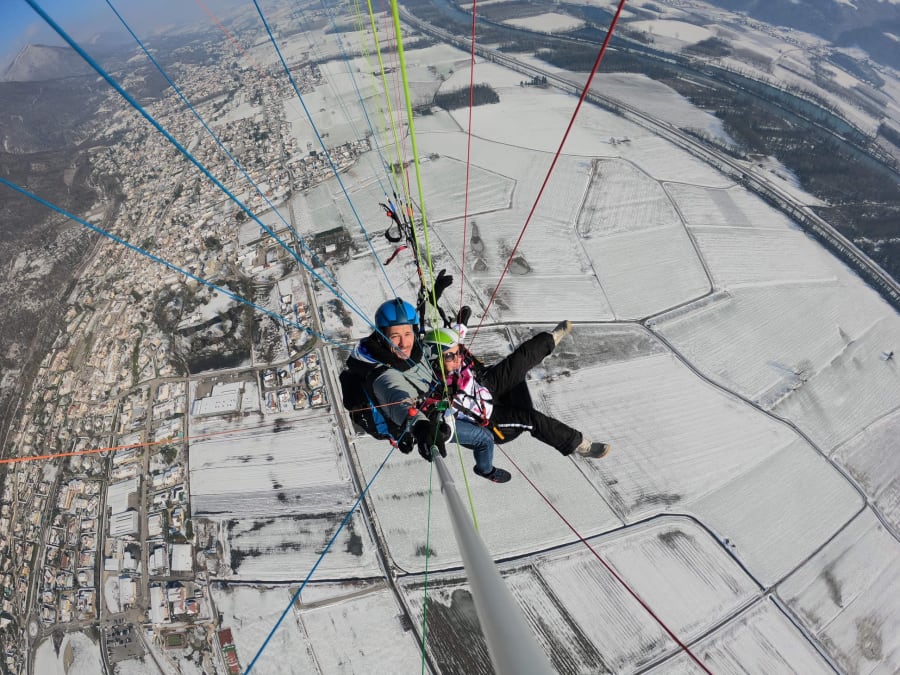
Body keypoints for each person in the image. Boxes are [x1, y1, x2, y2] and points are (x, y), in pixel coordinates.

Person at [422, 313, 611, 484]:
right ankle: (580, 445)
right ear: (435, 361)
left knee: (518, 362)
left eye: (458, 352)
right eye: (450, 356)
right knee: (531, 419)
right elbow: (439, 425)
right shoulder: (434, 395)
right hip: (490, 421)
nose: (458, 358)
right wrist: (439, 430)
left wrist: (460, 322)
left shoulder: (452, 358)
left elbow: (458, 338)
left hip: (485, 388)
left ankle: (550, 339)